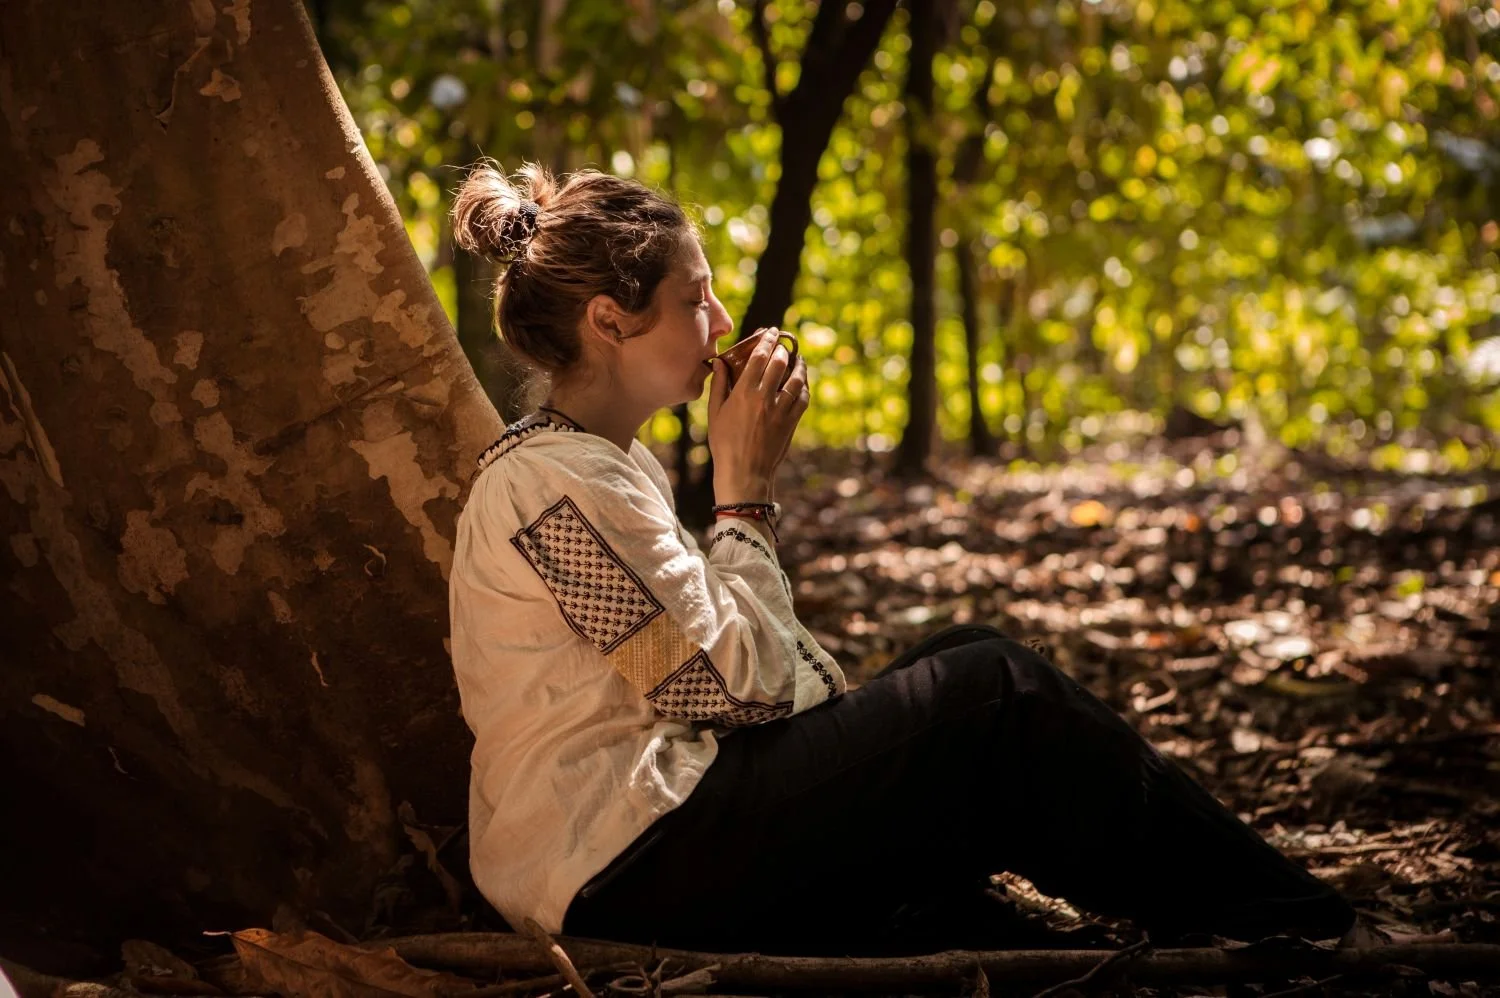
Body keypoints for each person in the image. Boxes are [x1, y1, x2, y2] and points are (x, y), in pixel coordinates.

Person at [445, 160, 1358, 955]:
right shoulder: (549, 486)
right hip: (625, 863)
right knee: (992, 692)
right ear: (610, 322)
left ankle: (1102, 935)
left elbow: (727, 680)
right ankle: (1308, 929)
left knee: (964, 655)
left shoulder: (599, 465)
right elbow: (728, 691)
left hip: (654, 838)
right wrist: (744, 491)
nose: (720, 320)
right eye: (693, 299)